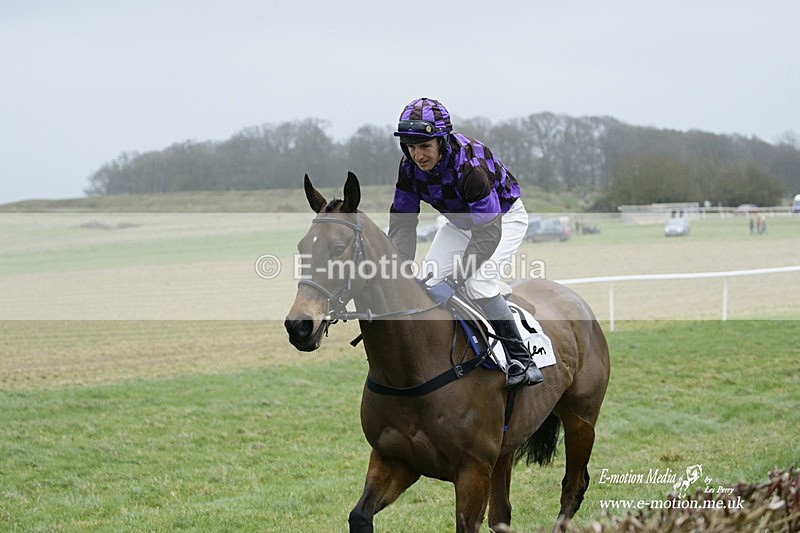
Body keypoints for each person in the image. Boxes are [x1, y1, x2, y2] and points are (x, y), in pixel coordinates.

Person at [387, 97, 542, 388]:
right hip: (461, 223)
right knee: (426, 281)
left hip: (501, 220)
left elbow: (487, 234)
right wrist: (400, 266)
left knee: (478, 284)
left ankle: (522, 359)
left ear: (442, 141)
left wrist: (455, 280)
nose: (417, 155)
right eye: (410, 146)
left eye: (424, 146)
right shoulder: (408, 167)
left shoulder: (470, 167)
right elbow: (403, 223)